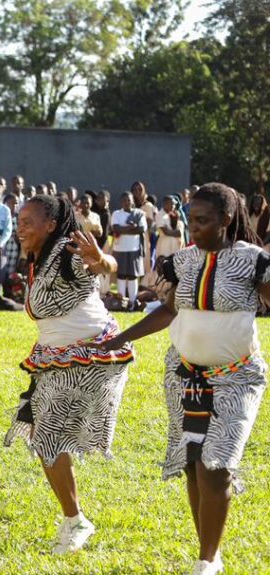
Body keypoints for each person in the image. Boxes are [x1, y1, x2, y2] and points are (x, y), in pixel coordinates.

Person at [95, 184, 267, 575]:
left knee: (217, 465)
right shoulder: (183, 261)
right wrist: (119, 339)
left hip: (237, 377)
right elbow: (169, 311)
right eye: (193, 220)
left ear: (226, 219)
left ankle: (207, 562)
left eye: (205, 221)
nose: (195, 229)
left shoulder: (253, 261)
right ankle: (209, 553)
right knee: (193, 463)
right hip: (184, 375)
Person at [2, 194, 134, 554]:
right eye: (19, 219)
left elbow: (102, 266)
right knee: (45, 440)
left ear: (50, 224)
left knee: (48, 439)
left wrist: (101, 260)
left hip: (91, 356)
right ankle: (74, 520)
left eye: (29, 221)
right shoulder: (40, 256)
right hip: (58, 356)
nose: (21, 227)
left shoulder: (66, 249)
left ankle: (76, 522)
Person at [110, 192, 147, 310]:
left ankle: (132, 303)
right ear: (121, 202)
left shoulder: (139, 213)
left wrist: (123, 230)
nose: (127, 202)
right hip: (119, 249)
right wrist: (131, 228)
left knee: (132, 276)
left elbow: (141, 229)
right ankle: (122, 303)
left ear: (133, 201)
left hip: (134, 249)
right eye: (124, 200)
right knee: (121, 275)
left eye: (129, 200)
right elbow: (115, 228)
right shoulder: (116, 214)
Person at [156, 195, 188, 262]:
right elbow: (165, 232)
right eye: (172, 204)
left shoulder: (174, 214)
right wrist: (178, 233)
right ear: (165, 204)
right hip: (165, 247)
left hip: (175, 248)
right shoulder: (160, 215)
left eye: (174, 204)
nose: (174, 206)